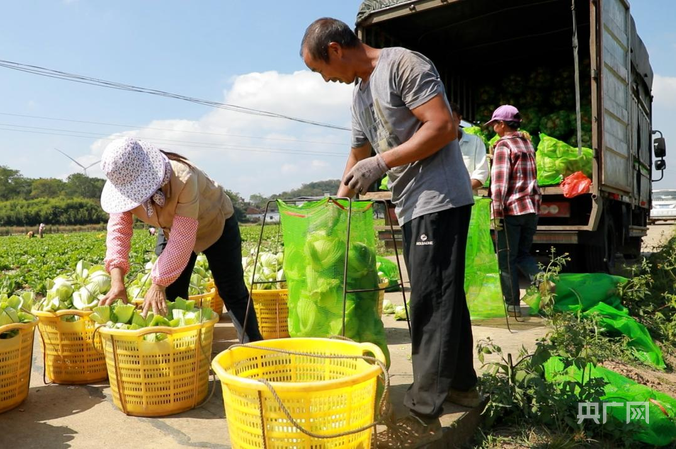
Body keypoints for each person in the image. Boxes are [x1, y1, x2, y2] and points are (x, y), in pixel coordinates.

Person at [301, 18, 479, 447]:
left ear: (335, 50)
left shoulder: (403, 65)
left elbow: (442, 126)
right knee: (443, 295)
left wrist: (382, 163)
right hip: (412, 204)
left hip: (440, 197)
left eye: (320, 69)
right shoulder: (360, 95)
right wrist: (339, 204)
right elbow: (358, 154)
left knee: (430, 302)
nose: (325, 80)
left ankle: (424, 412)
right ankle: (462, 386)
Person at [97, 137, 262, 342]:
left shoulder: (183, 177)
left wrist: (158, 284)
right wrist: (117, 282)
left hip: (215, 224)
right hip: (171, 229)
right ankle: (182, 349)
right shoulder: (122, 184)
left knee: (231, 289)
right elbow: (118, 233)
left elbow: (183, 238)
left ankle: (253, 346)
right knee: (172, 294)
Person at [487, 105, 542, 318]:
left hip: (511, 210)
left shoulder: (504, 146)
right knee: (522, 254)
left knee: (506, 260)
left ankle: (512, 306)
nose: (493, 127)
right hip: (530, 209)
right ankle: (543, 281)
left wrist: (496, 213)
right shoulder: (527, 144)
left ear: (502, 124)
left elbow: (499, 183)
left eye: (495, 123)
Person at [451, 103, 489, 191]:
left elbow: (481, 174)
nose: (449, 124)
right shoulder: (435, 144)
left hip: (467, 197)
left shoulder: (475, 142)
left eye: (453, 120)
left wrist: (460, 190)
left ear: (460, 119)